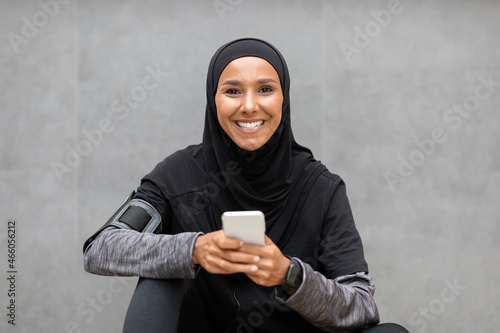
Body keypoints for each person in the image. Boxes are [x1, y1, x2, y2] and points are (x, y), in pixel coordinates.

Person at [83, 38, 408, 333]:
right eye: (233, 91)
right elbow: (101, 247)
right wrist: (195, 250)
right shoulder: (178, 175)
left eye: (265, 89)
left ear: (284, 98)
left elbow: (362, 305)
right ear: (213, 100)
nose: (250, 106)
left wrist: (288, 276)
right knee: (158, 278)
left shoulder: (320, 187)